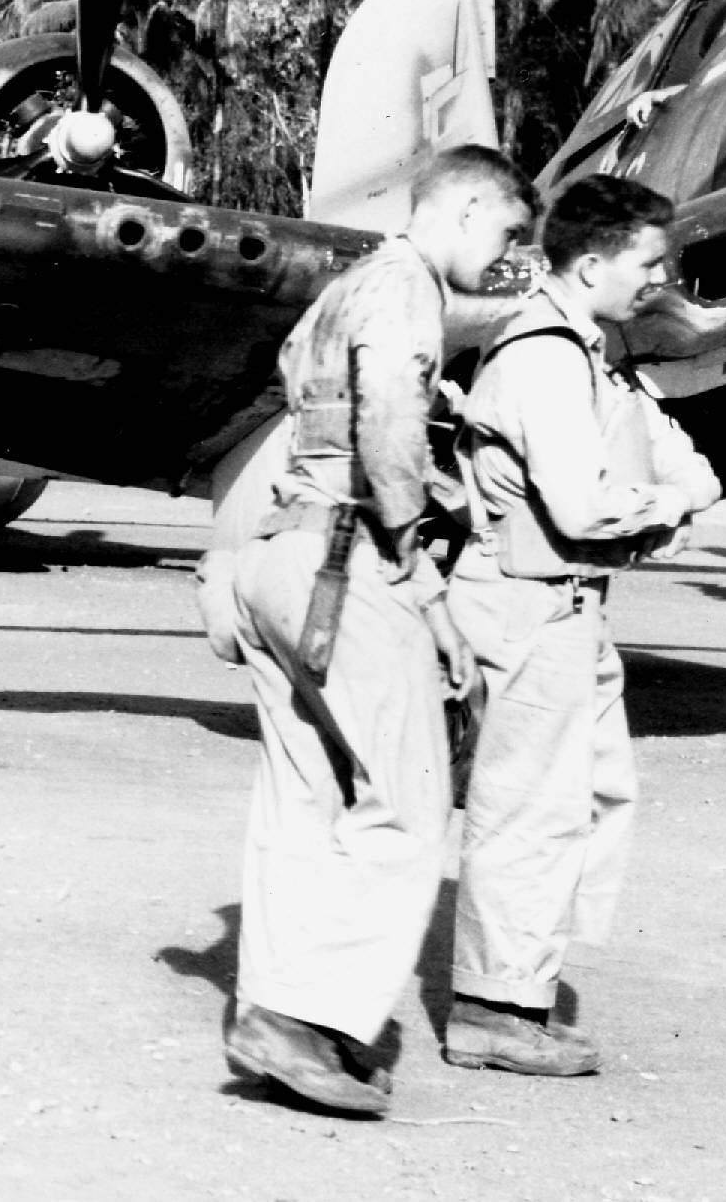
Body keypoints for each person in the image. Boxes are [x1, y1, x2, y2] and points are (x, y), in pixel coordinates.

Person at [222, 145, 538, 1116]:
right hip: (348, 560)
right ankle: (312, 1016)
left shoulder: (342, 289)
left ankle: (274, 1011)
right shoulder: (406, 289)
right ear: (464, 207)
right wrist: (424, 582)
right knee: (403, 807)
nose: (511, 256)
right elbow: (389, 426)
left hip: (279, 552)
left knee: (301, 800)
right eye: (508, 232)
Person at [444, 175, 719, 1074]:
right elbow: (584, 503)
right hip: (529, 594)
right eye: (647, 261)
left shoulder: (590, 349)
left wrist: (675, 492)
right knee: (528, 809)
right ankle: (491, 1011)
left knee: (591, 799)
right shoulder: (543, 355)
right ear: (593, 262)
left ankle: (519, 986)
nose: (659, 277)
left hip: (566, 601)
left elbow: (683, 457)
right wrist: (671, 506)